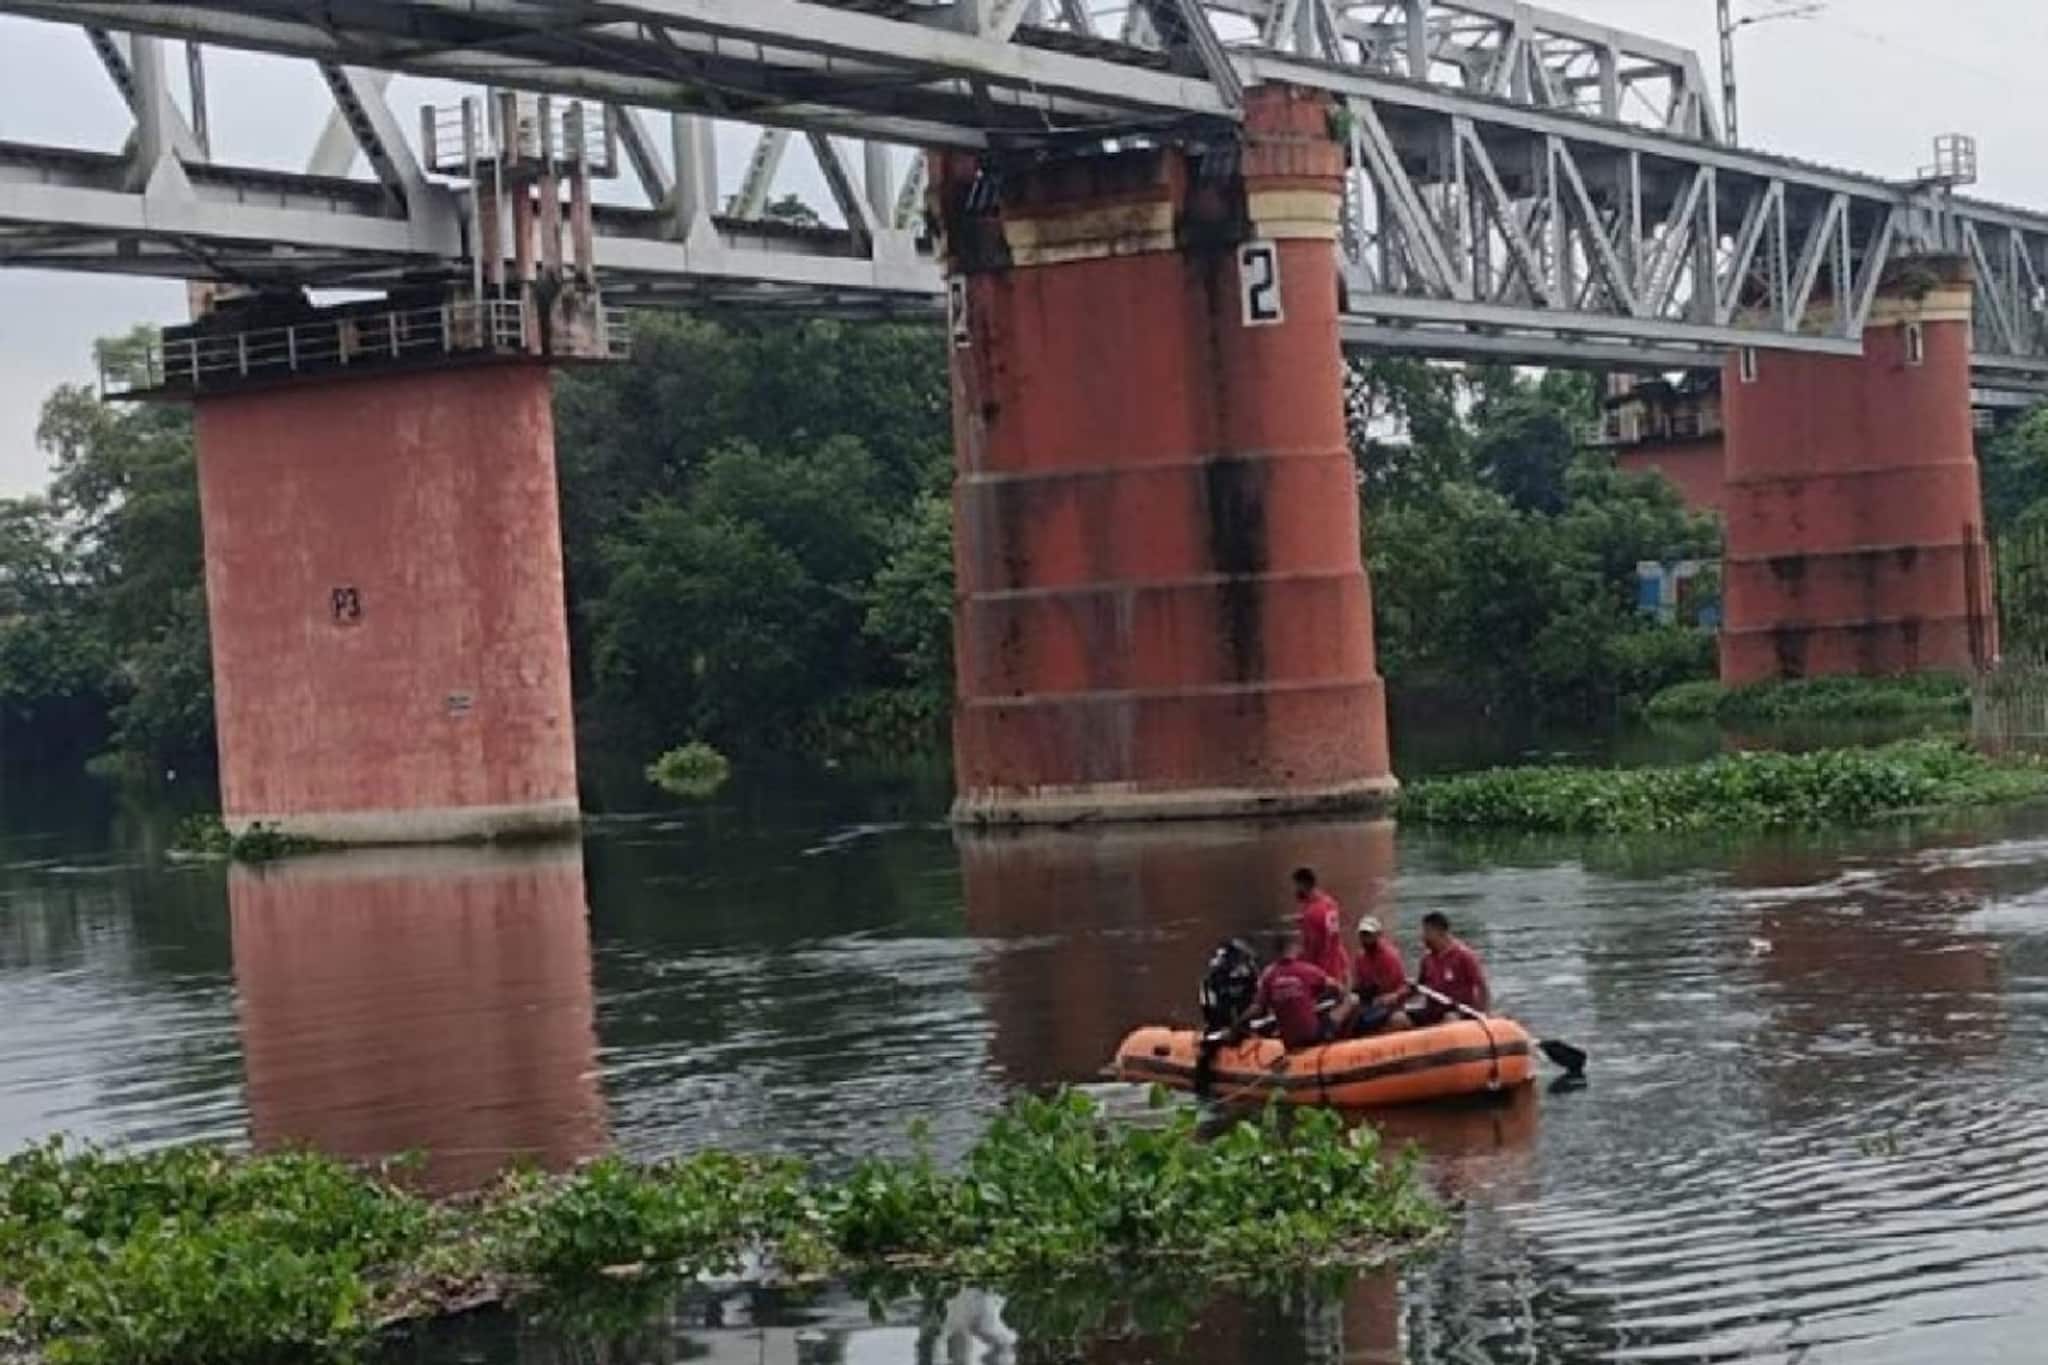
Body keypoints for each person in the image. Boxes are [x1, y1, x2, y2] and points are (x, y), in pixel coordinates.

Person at [1247, 930, 1357, 1049]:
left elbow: (1256, 1008)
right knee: (1352, 999)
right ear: (1294, 948)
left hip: (1289, 1040)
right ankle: (1344, 1040)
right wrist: (1340, 995)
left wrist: (1236, 1024)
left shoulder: (1268, 975)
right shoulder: (1307, 970)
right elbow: (1337, 988)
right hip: (1312, 1035)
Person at [1408, 911, 1489, 1027]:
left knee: (1450, 1019)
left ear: (1440, 932)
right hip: (1432, 1010)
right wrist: (1397, 996)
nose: (1423, 936)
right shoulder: (1427, 959)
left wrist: (1481, 1012)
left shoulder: (1464, 956)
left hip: (1458, 1010)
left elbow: (1481, 986)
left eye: (1427, 932)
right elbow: (1419, 986)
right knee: (1399, 1018)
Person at [1349, 916, 1411, 1034]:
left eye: (1369, 935)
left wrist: (1393, 996)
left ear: (1378, 935)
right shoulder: (1360, 959)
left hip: (1390, 1005)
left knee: (1397, 1020)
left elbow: (1403, 987)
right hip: (1370, 1003)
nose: (1366, 939)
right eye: (1363, 935)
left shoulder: (1390, 957)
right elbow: (1358, 986)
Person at [1293, 866, 1349, 985]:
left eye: (1297, 886)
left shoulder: (1311, 913)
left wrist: (1298, 965)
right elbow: (1334, 938)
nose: (1295, 890)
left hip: (1320, 975)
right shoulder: (1330, 903)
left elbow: (1312, 947)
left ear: (1304, 885)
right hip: (1335, 970)